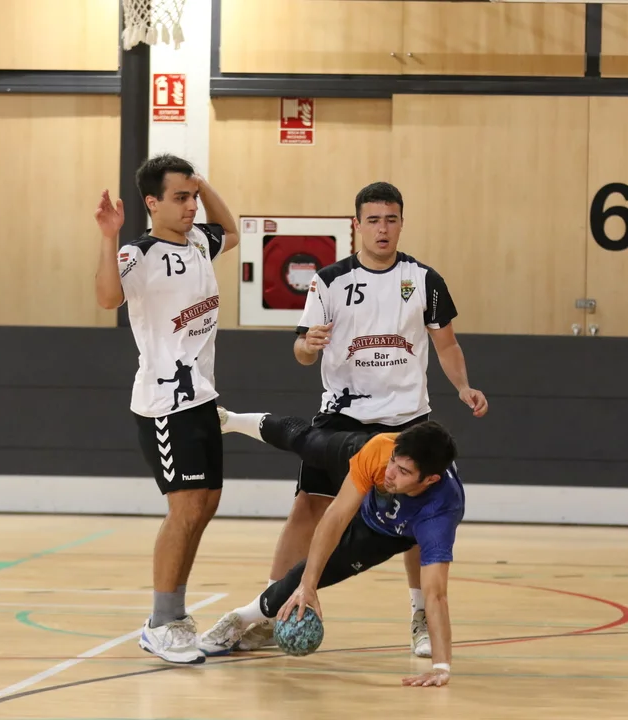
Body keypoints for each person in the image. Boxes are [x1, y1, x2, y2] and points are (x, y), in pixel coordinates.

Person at [233, 181, 488, 658]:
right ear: (357, 225)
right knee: (309, 507)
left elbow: (447, 343)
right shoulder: (328, 281)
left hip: (406, 419)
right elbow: (301, 351)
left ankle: (419, 615)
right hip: (342, 416)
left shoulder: (424, 280)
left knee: (415, 519)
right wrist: (307, 345)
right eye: (373, 220)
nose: (382, 229)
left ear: (402, 223)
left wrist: (462, 386)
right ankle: (272, 609)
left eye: (391, 219)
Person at [93, 153, 239, 664]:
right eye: (180, 198)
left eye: (193, 197)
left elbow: (231, 231)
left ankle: (175, 616)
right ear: (152, 203)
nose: (192, 206)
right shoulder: (138, 253)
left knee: (206, 503)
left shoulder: (199, 241)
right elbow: (107, 298)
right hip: (164, 404)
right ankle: (161, 622)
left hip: (202, 396)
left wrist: (204, 182)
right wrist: (109, 236)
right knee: (185, 508)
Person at [198, 411, 463, 688]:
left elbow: (436, 594)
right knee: (309, 443)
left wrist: (441, 667)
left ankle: (239, 617)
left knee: (310, 574)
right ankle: (232, 420)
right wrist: (307, 585)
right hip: (369, 499)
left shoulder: (440, 515)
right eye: (394, 461)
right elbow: (336, 517)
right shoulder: (380, 450)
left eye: (403, 472)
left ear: (430, 479)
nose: (390, 473)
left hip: (385, 533)